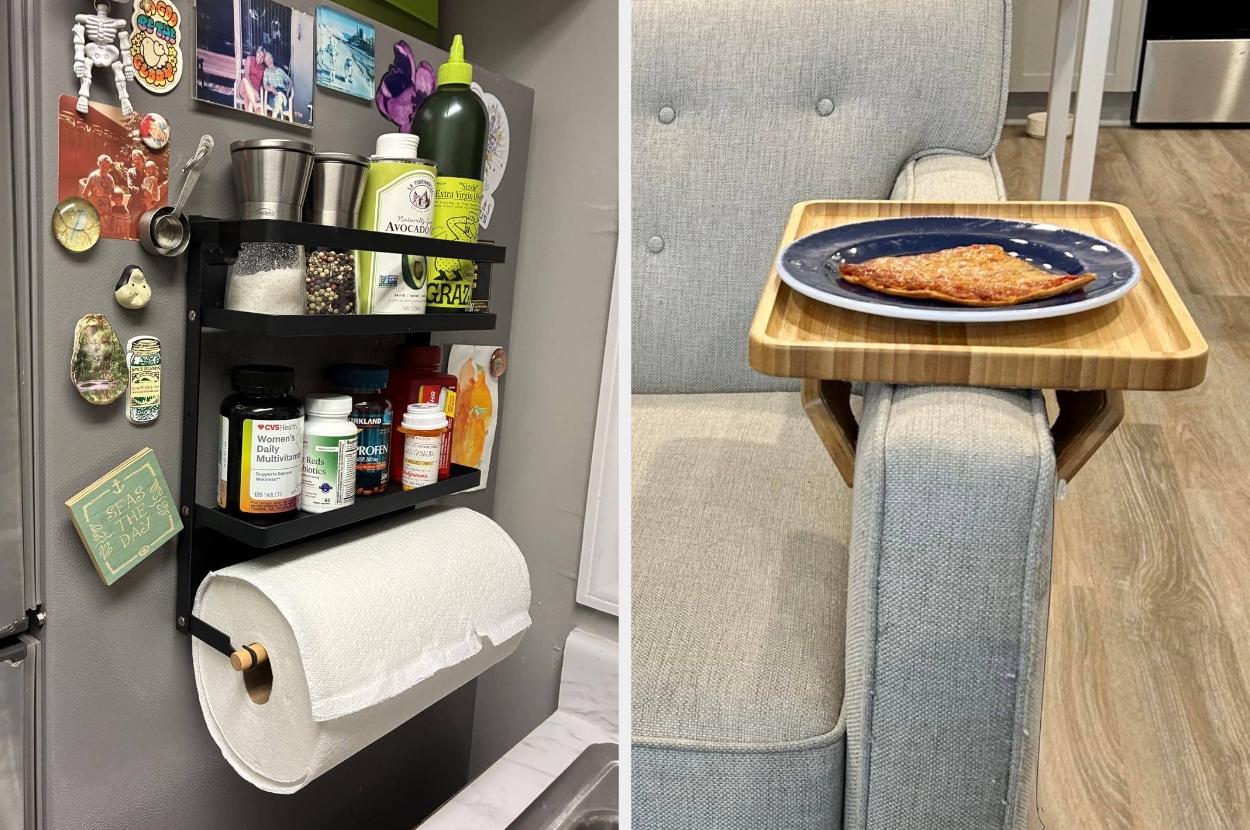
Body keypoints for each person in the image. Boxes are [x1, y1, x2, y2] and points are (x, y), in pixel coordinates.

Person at [262, 51, 293, 119]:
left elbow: (290, 81)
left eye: (269, 59)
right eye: (266, 61)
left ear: (272, 59)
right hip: (273, 94)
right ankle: (281, 99)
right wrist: (272, 89)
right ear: (266, 63)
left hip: (282, 92)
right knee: (279, 100)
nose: (268, 61)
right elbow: (265, 85)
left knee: (279, 97)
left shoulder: (279, 70)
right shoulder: (267, 71)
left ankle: (273, 119)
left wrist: (287, 93)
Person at [237, 46, 267, 114]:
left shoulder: (263, 69)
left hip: (254, 93)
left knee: (247, 96)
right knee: (244, 80)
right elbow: (246, 75)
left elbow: (264, 83)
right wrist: (252, 89)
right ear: (256, 53)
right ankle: (255, 107)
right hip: (244, 87)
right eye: (259, 54)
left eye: (262, 57)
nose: (260, 57)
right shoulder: (249, 59)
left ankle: (248, 117)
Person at [125, 149, 146, 238]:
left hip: (145, 205)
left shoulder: (147, 172)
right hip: (134, 205)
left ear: (142, 159)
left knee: (143, 227)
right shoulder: (131, 172)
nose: (137, 161)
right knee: (133, 228)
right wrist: (144, 192)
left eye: (138, 159)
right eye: (135, 159)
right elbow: (131, 189)